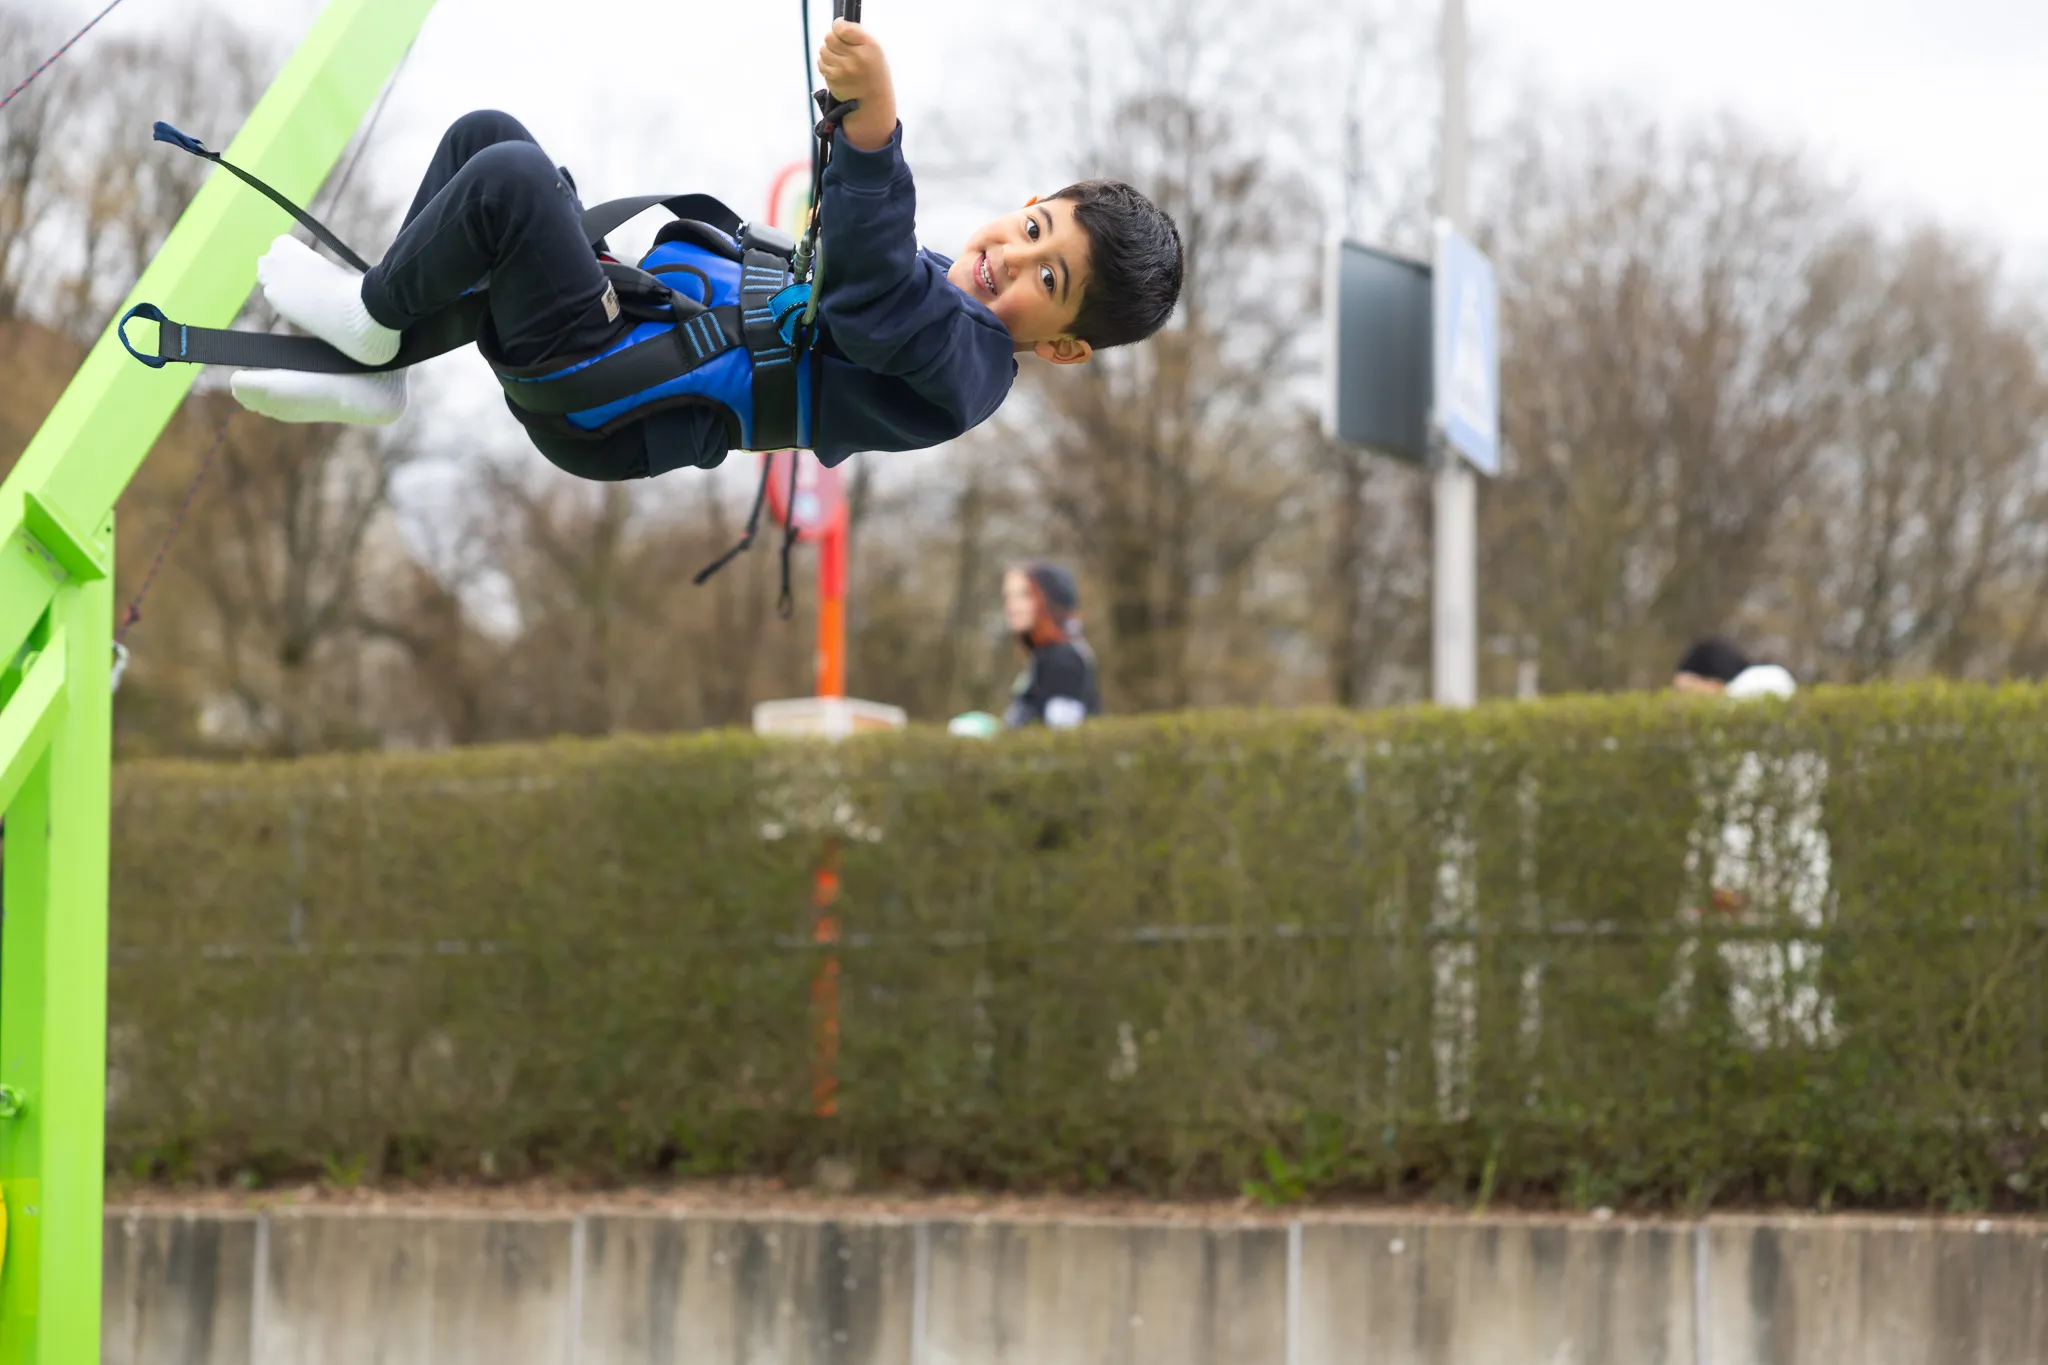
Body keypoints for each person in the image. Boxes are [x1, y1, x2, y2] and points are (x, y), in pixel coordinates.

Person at [225, 18, 1184, 487]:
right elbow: (876, 274)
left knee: (510, 179)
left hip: (607, 390)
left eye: (1047, 279)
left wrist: (872, 134)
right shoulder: (936, 283)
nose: (1013, 260)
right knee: (488, 138)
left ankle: (371, 319)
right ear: (1026, 206)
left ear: (1062, 345)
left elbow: (879, 298)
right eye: (1032, 232)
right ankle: (385, 361)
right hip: (626, 335)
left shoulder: (969, 371)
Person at [1668, 637, 1837, 1049]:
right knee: (1799, 976)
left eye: (1686, 691)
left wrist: (1728, 882)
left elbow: (1742, 812)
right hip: (1801, 868)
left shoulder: (1741, 725)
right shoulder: (1785, 715)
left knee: (1759, 987)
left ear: (1712, 682)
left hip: (1757, 877)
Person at [1000, 562, 1099, 730]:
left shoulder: (1063, 659)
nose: (1011, 606)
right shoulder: (1042, 656)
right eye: (1007, 597)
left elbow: (1062, 735)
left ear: (1051, 600)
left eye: (1024, 594)